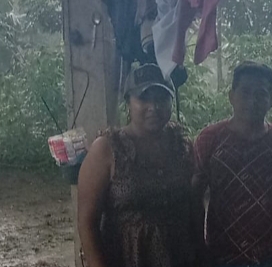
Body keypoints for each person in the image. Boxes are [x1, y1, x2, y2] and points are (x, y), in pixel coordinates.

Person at [76, 63, 197, 267]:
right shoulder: (107, 149)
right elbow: (87, 221)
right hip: (125, 258)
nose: (154, 107)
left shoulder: (182, 146)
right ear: (128, 103)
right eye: (144, 98)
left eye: (161, 98)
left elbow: (193, 208)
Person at [193, 62, 272, 267]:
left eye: (261, 94)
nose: (252, 101)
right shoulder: (209, 139)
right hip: (220, 254)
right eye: (245, 92)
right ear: (231, 96)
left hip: (271, 254)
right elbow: (195, 194)